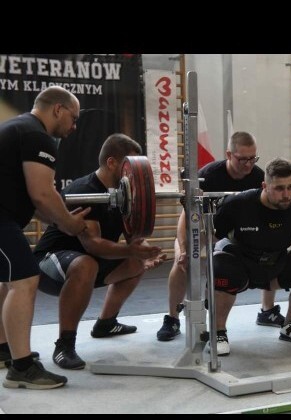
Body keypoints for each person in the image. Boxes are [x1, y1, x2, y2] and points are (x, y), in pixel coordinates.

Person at [33, 133, 165, 370]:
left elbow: (133, 239)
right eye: (128, 165)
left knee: (134, 264)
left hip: (87, 264)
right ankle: (64, 345)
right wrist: (131, 250)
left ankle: (106, 323)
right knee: (87, 263)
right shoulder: (85, 190)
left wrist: (145, 252)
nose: (132, 173)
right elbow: (92, 244)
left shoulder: (124, 194)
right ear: (112, 162)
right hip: (49, 264)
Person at [0, 86, 90, 389]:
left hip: (6, 217)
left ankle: (3, 349)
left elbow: (32, 200)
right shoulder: (37, 136)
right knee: (25, 280)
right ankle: (22, 369)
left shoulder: (19, 128)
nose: (74, 126)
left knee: (9, 281)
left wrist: (60, 220)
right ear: (58, 110)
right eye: (73, 118)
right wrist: (70, 224)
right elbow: (42, 194)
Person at [156, 132, 284, 341]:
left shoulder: (258, 178)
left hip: (238, 232)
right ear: (229, 155)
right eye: (242, 159)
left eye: (252, 158)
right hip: (205, 228)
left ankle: (267, 310)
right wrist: (184, 248)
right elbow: (187, 217)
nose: (248, 164)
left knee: (272, 250)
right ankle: (172, 318)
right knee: (183, 261)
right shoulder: (207, 177)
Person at [211, 157, 291, 356]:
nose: (286, 195)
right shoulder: (238, 204)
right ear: (264, 186)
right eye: (279, 188)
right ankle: (218, 333)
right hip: (240, 265)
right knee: (220, 266)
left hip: (273, 266)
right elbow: (211, 236)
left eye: (290, 187)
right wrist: (187, 253)